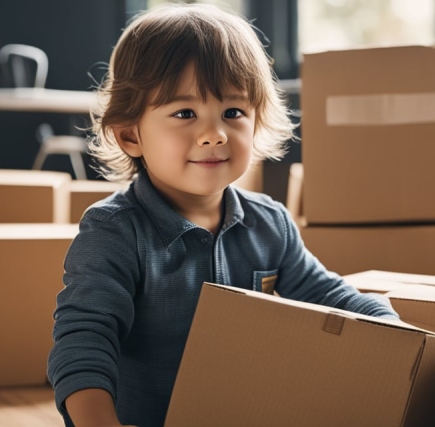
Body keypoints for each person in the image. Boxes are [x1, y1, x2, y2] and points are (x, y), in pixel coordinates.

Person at [47, 4, 399, 427]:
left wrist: (397, 332)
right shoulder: (114, 231)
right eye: (185, 113)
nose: (214, 132)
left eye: (233, 112)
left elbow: (329, 296)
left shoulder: (270, 222)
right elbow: (84, 340)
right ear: (130, 135)